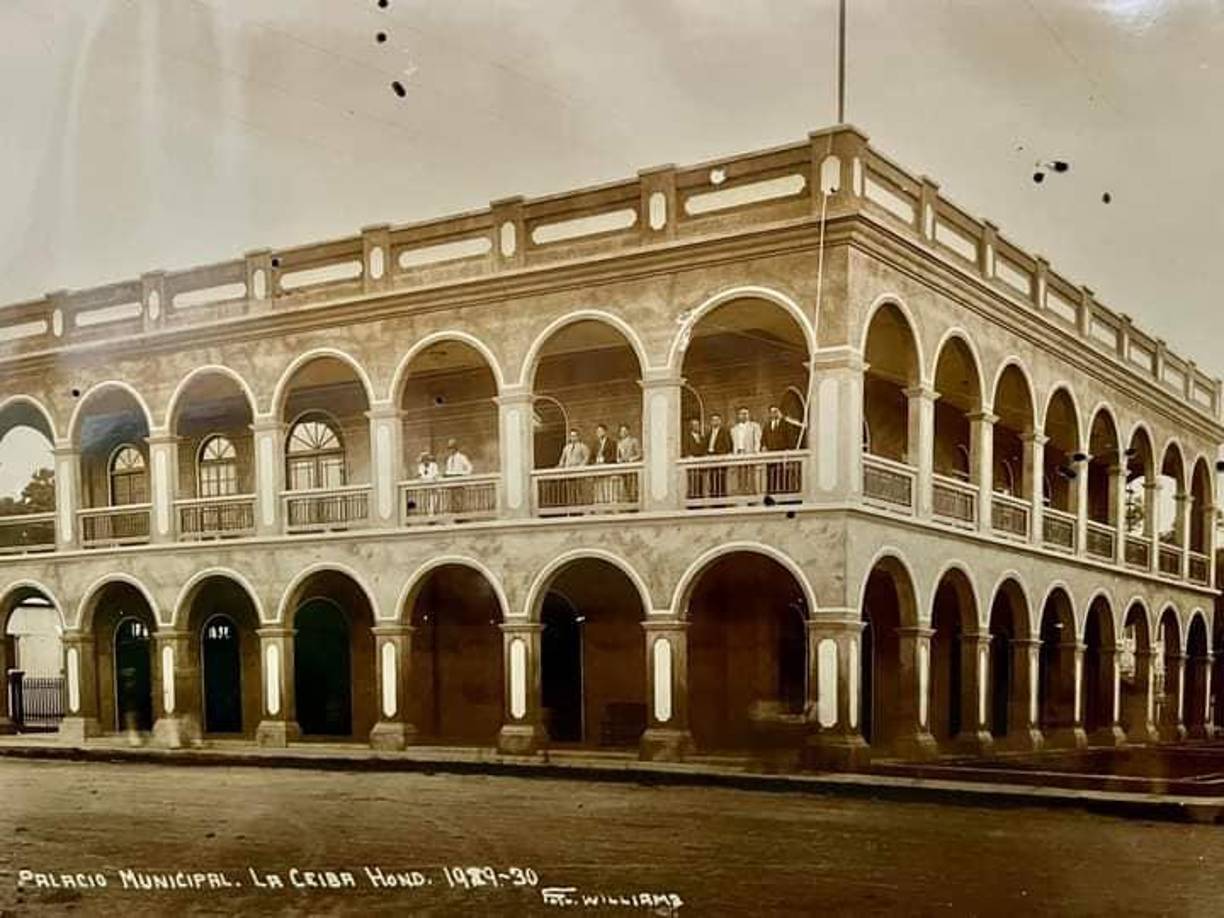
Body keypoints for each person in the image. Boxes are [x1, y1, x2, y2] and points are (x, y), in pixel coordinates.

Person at [762, 404, 803, 495]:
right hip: (771, 456)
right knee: (771, 476)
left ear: (779, 412)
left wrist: (789, 451)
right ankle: (771, 495)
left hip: (782, 455)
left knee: (783, 476)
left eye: (776, 411)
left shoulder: (786, 424)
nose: (774, 414)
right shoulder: (767, 426)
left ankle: (784, 495)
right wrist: (764, 447)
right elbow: (764, 439)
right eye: (772, 412)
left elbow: (791, 439)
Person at [730, 406, 762, 495]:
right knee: (740, 475)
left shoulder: (754, 426)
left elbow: (757, 440)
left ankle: (752, 492)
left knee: (751, 474)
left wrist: (756, 451)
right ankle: (742, 492)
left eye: (746, 414)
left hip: (749, 452)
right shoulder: (734, 429)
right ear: (738, 415)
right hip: (739, 453)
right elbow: (733, 443)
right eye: (742, 414)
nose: (744, 416)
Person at [557, 428, 591, 509]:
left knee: (579, 492)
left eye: (575, 436)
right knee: (570, 492)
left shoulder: (583, 447)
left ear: (578, 436)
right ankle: (571, 509)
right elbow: (562, 459)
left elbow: (586, 458)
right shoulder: (566, 448)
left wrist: (580, 468)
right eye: (572, 436)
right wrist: (561, 466)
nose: (573, 438)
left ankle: (581, 508)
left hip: (579, 474)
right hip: (568, 474)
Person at [704, 412, 732, 499]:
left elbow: (728, 445)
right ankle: (713, 497)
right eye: (713, 420)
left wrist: (722, 455)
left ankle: (722, 498)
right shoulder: (709, 433)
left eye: (716, 420)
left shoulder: (724, 432)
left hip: (720, 457)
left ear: (720, 421)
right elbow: (705, 445)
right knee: (712, 478)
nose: (714, 422)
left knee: (721, 478)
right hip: (711, 456)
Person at [615, 423, 641, 505]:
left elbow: (639, 454)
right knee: (624, 486)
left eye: (625, 431)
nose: (623, 433)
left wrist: (631, 459)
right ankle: (627, 502)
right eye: (621, 431)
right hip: (623, 468)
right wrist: (619, 460)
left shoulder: (634, 441)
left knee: (633, 486)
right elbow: (618, 456)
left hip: (632, 467)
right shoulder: (619, 443)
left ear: (628, 431)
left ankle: (634, 502)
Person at [591, 424, 616, 505]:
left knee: (608, 489)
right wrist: (595, 462)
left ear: (605, 432)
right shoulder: (595, 444)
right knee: (599, 490)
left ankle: (610, 505)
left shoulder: (612, 443)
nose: (599, 433)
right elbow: (591, 457)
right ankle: (600, 505)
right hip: (598, 471)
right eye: (597, 431)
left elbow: (614, 457)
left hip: (608, 470)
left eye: (601, 431)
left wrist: (604, 461)